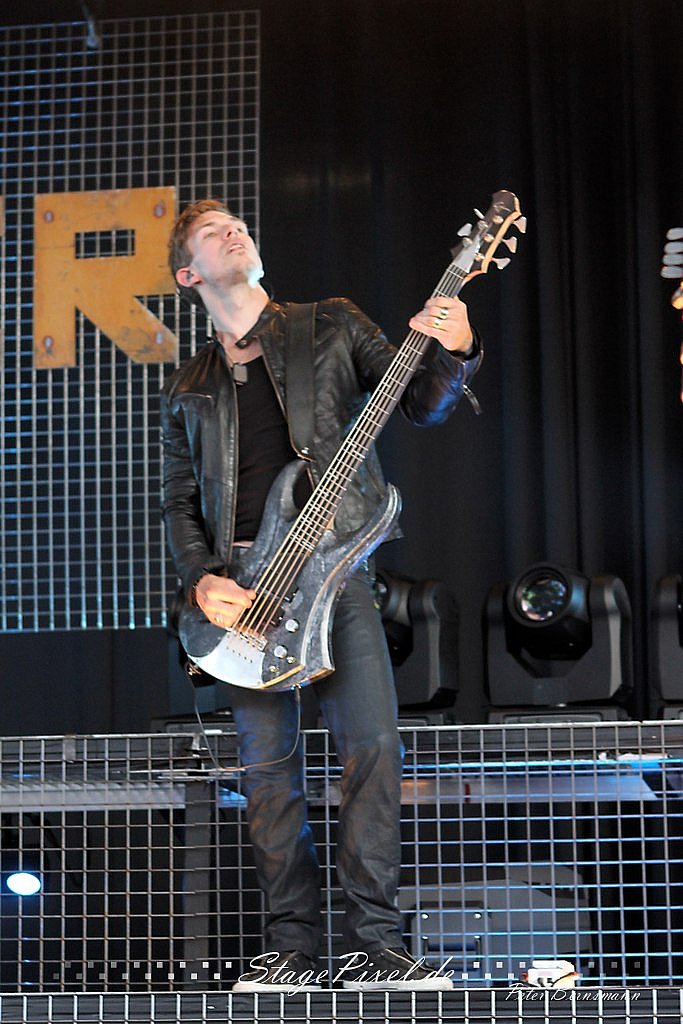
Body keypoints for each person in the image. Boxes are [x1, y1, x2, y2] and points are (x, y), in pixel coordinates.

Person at [161, 199, 483, 993]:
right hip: (243, 591)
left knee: (371, 749)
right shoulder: (188, 384)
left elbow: (421, 403)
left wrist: (457, 348)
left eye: (237, 224)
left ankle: (375, 947)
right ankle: (292, 952)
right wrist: (201, 578)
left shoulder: (330, 323)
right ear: (188, 274)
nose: (233, 230)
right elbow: (179, 500)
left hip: (335, 574)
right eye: (210, 232)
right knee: (268, 775)